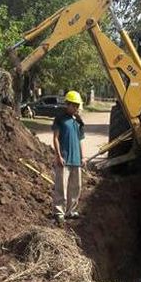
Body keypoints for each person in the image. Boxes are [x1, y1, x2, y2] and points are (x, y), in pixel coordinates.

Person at [52, 90, 86, 225]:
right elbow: (55, 138)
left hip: (76, 160)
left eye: (78, 105)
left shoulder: (78, 121)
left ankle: (70, 211)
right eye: (74, 105)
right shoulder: (60, 118)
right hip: (64, 159)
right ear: (68, 104)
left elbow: (81, 140)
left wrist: (83, 157)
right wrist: (58, 155)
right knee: (61, 187)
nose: (77, 108)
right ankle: (59, 213)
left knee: (76, 187)